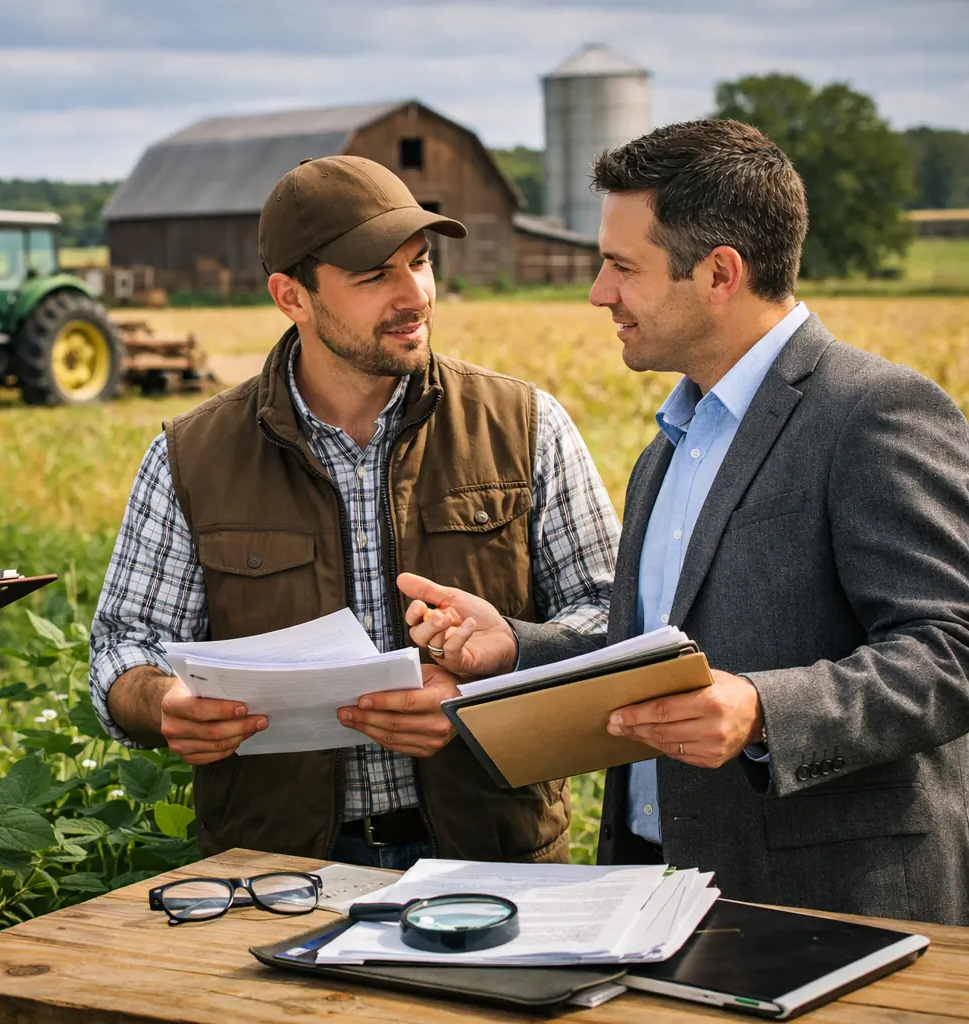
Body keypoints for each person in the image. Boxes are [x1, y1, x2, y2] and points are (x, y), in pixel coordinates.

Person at [404, 120, 969, 924]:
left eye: (622, 266)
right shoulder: (668, 446)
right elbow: (663, 659)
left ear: (720, 273)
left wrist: (766, 711)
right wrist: (517, 648)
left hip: (829, 904)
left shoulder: (874, 412)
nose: (599, 293)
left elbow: (952, 649)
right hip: (655, 886)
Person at [89, 155, 621, 869]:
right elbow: (125, 644)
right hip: (277, 874)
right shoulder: (190, 455)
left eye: (420, 263)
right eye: (374, 276)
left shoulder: (526, 425)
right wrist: (162, 703)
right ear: (292, 296)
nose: (415, 295)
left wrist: (482, 687)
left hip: (495, 862)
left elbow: (613, 616)